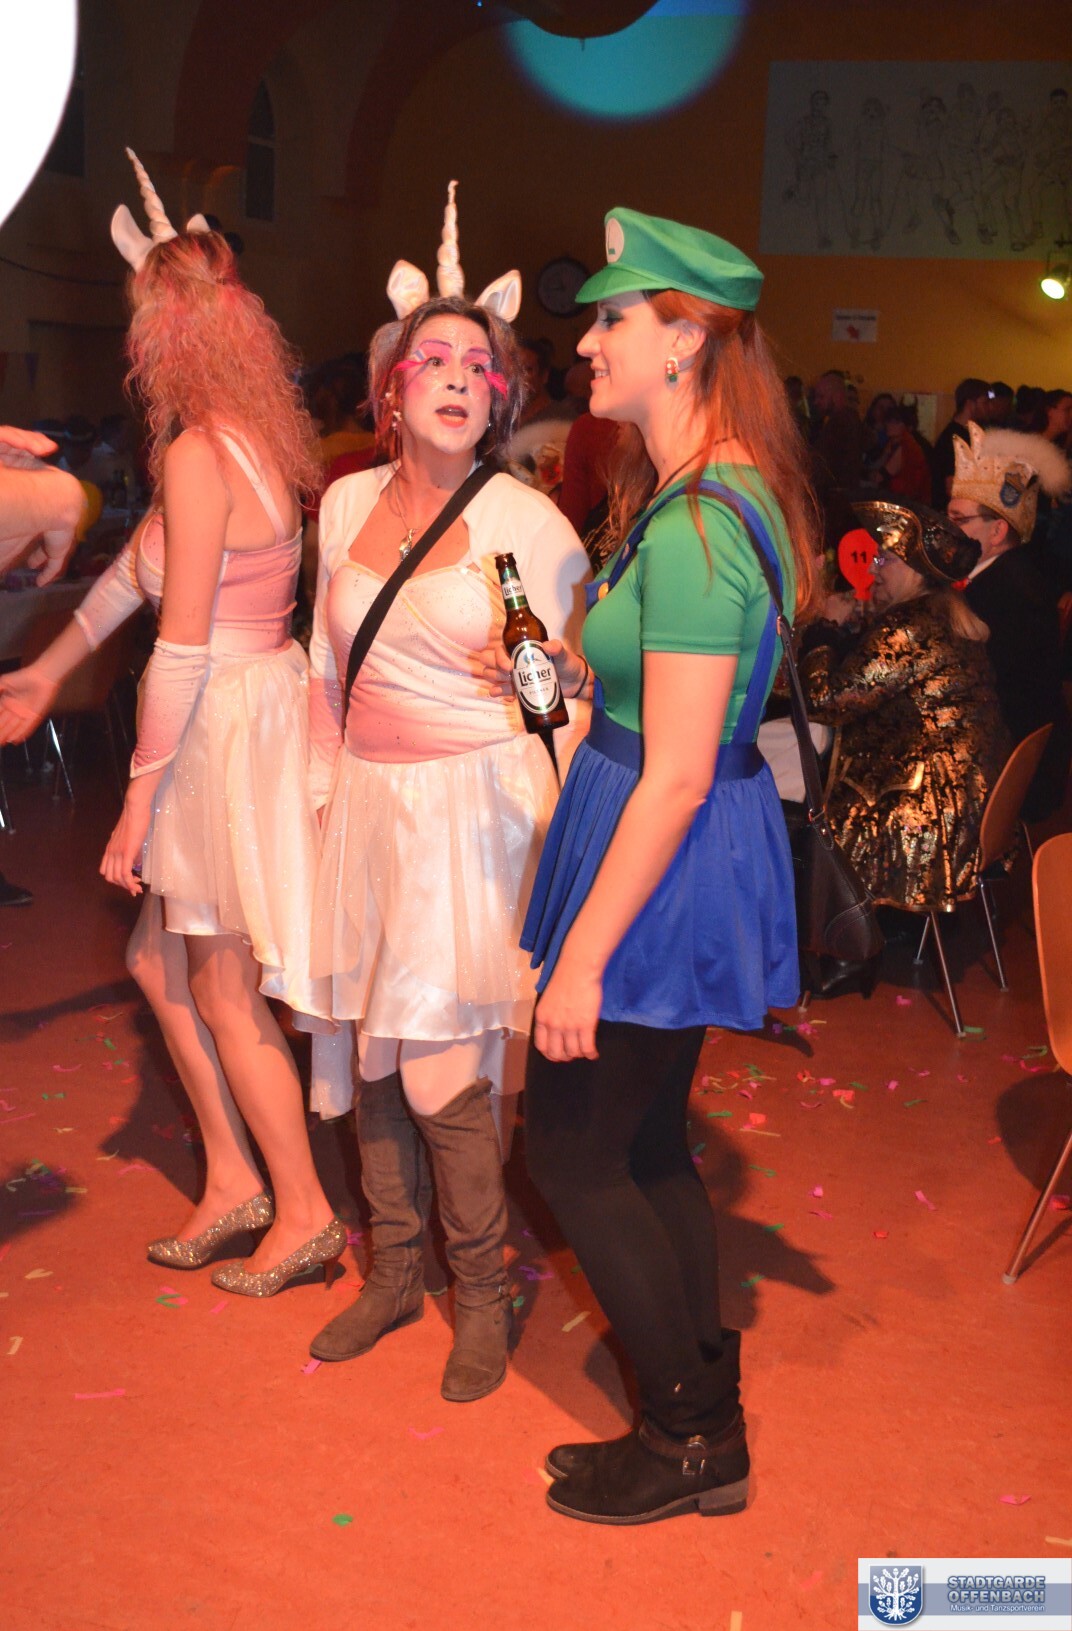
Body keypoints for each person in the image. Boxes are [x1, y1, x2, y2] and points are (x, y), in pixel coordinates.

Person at [492, 206, 819, 1524]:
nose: (586, 341)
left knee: (574, 1153)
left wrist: (579, 959)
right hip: (668, 836)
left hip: (658, 850)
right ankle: (704, 1414)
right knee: (640, 1139)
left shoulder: (696, 526)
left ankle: (687, 1434)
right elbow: (678, 706)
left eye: (611, 318)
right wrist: (582, 671)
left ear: (683, 340)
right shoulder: (704, 495)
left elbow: (678, 772)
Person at [0, 151, 344, 1293]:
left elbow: (183, 644)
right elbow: (132, 578)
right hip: (242, 707)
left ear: (166, 333)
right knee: (157, 963)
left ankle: (303, 1208)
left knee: (220, 985)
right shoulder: (247, 438)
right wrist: (46, 672)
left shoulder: (202, 454)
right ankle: (234, 1179)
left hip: (218, 722)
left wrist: (138, 801)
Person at [305, 187, 589, 1403]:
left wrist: (563, 689)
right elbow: (325, 665)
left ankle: (480, 1291)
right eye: (435, 358)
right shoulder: (343, 504)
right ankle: (393, 1267)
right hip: (366, 804)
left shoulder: (524, 522)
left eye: (481, 364)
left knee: (435, 1067)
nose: (459, 377)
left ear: (502, 393)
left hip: (470, 817)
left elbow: (553, 698)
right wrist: (317, 793)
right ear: (391, 385)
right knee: (373, 1046)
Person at [800, 499, 1008, 914]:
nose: (873, 569)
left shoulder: (909, 626)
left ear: (914, 571)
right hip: (972, 791)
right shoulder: (944, 611)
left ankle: (827, 928)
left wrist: (825, 629)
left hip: (930, 810)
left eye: (885, 559)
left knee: (804, 788)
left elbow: (824, 702)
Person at [951, 423, 1071, 818]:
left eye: (959, 520)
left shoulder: (1008, 593)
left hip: (1006, 769)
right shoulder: (1000, 574)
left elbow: (974, 684)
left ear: (998, 530)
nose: (948, 530)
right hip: (1007, 744)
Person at [930, 377, 990, 505]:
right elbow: (951, 486)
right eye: (984, 403)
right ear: (970, 404)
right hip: (952, 510)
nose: (988, 408)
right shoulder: (953, 438)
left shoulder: (970, 433)